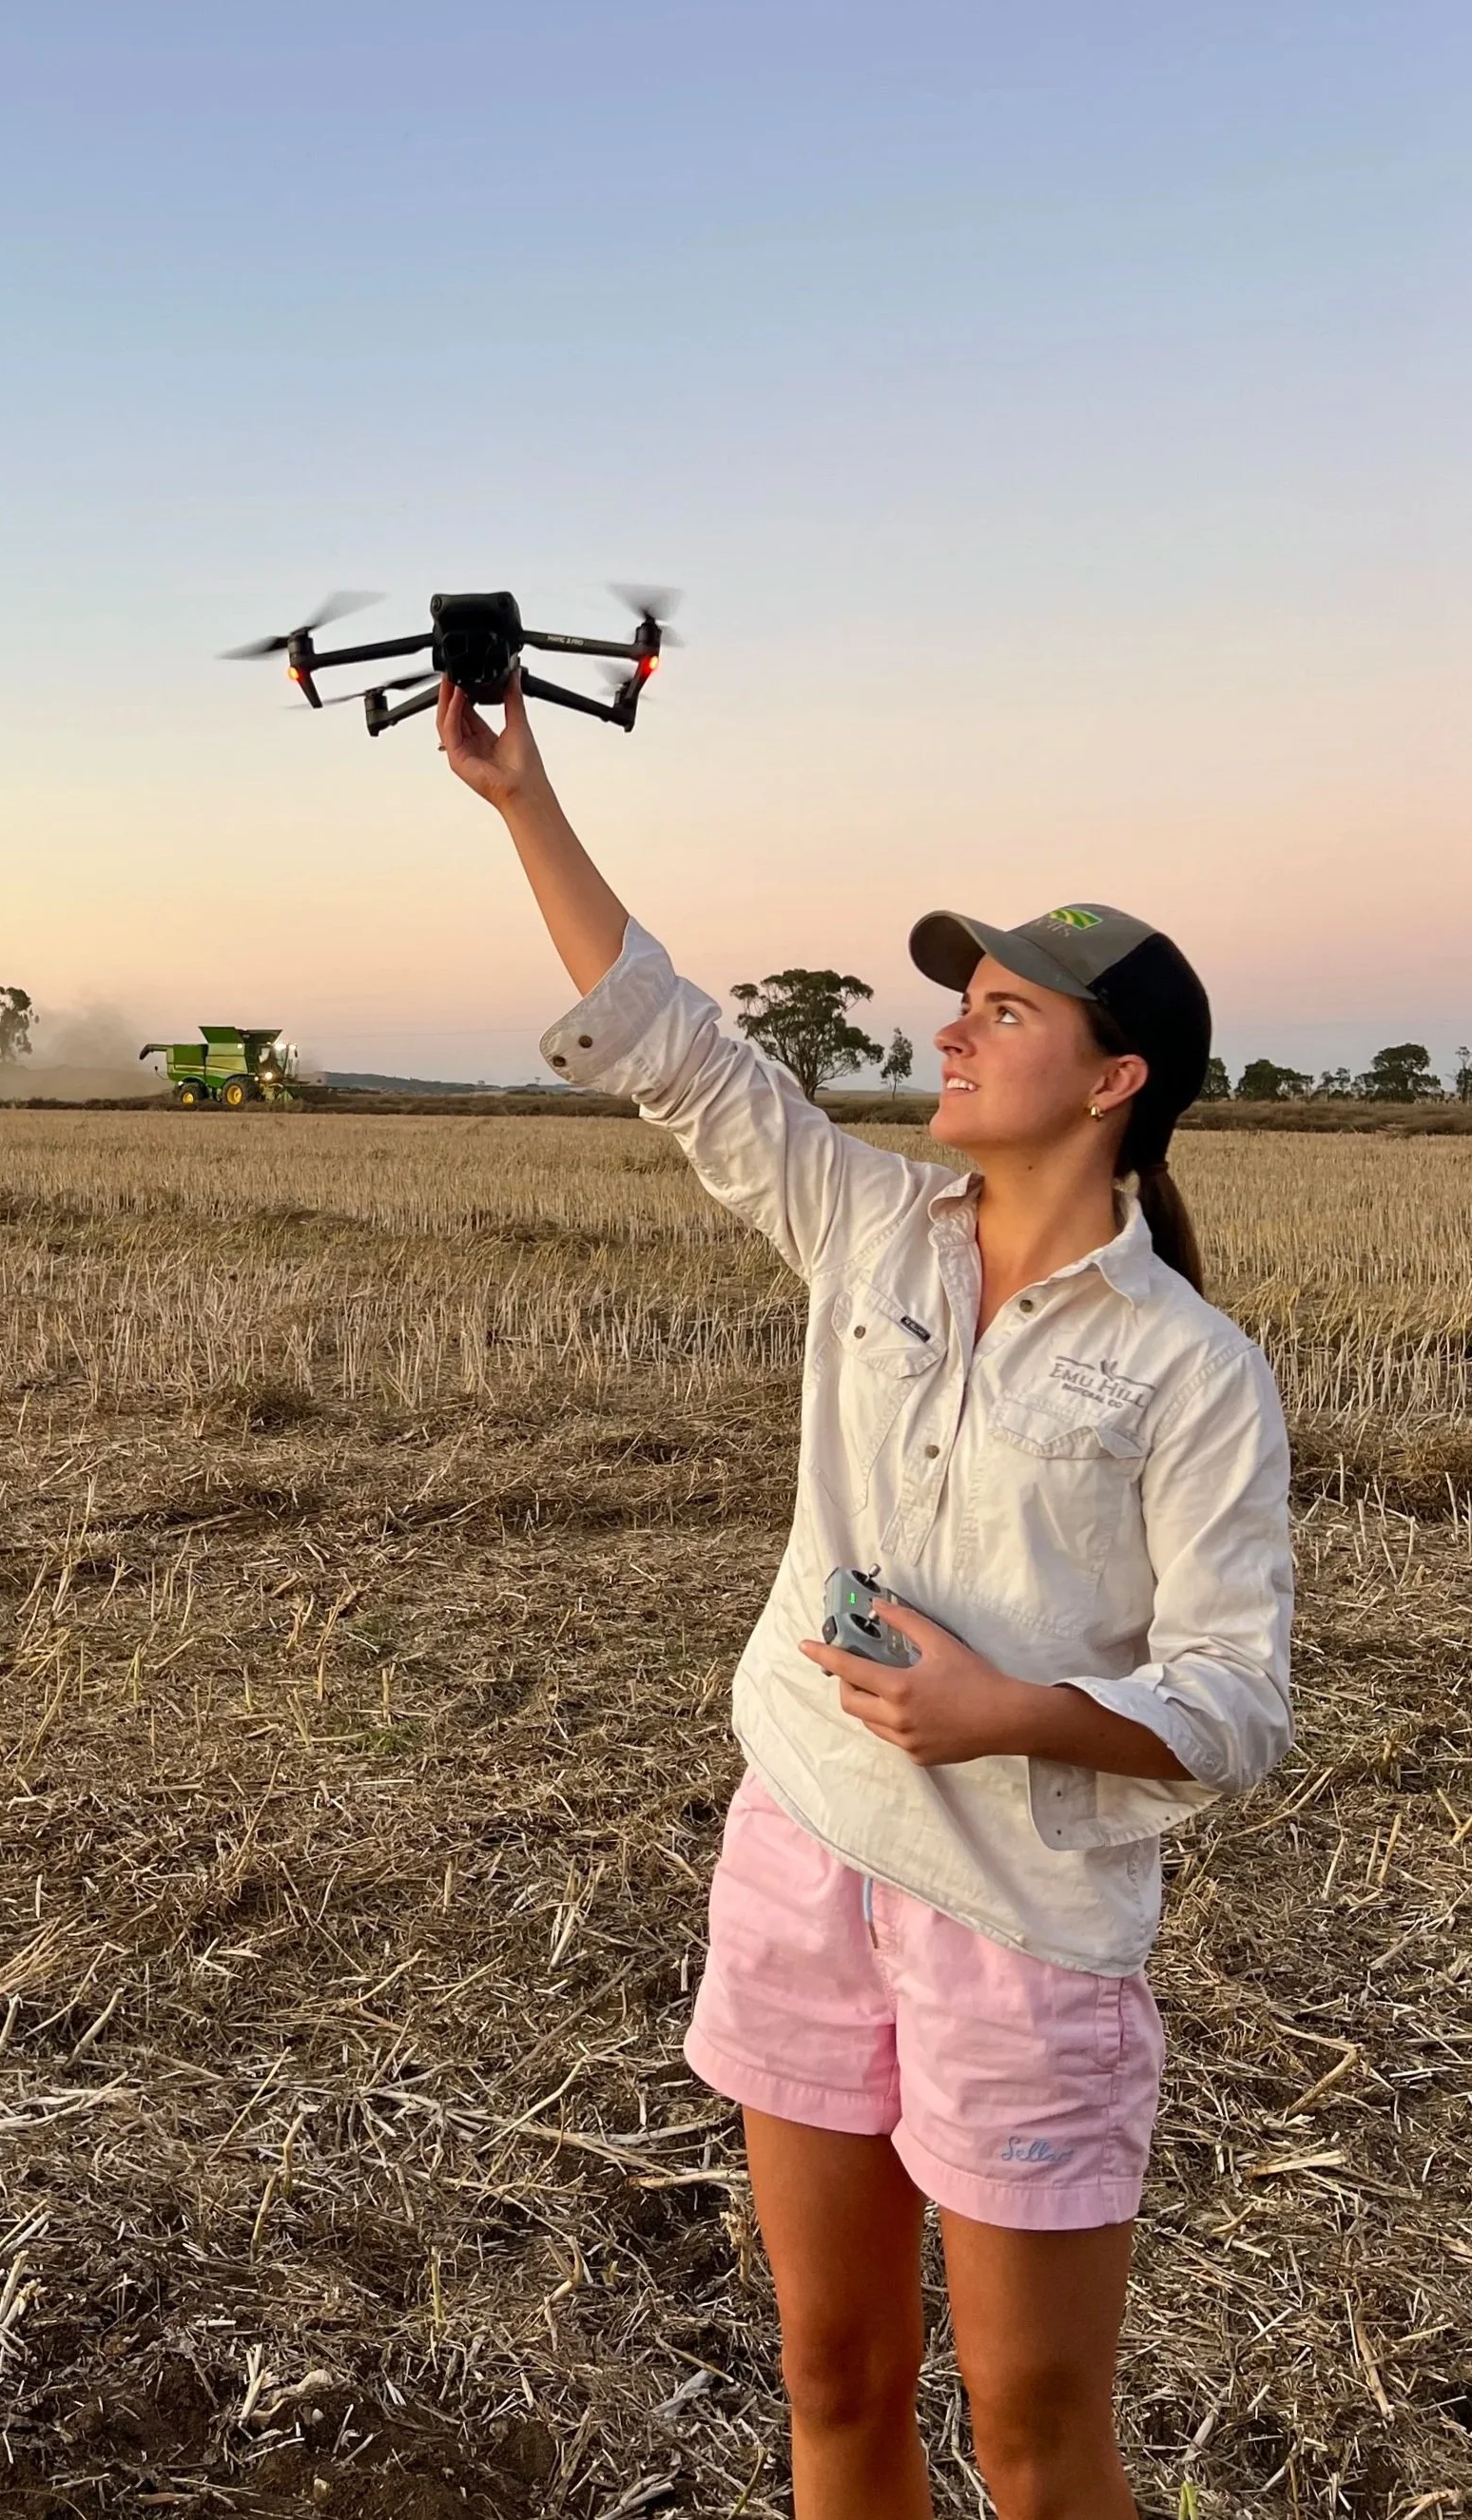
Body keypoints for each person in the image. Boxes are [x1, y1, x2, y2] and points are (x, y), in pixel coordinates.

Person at [436, 678, 1292, 2520]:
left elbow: (1234, 1699)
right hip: (802, 1858)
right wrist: (525, 801)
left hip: (1023, 1933)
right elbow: (675, 1052)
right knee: (834, 2378)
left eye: (1001, 1010)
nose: (948, 1031)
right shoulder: (867, 1231)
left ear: (1114, 1077)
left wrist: (1009, 1712)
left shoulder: (1191, 1370)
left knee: (1038, 2446)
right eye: (959, 999)